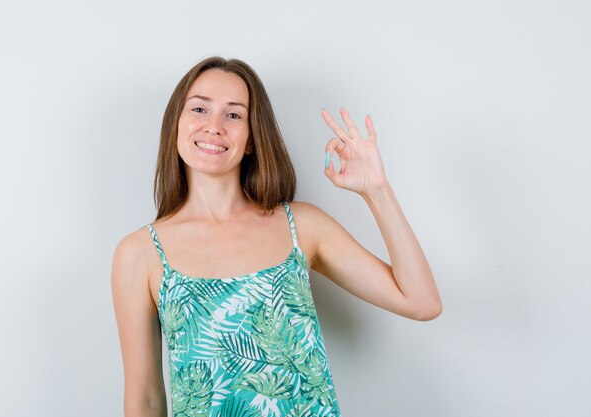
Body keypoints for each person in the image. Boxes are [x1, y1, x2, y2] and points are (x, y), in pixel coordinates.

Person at [111, 56, 442, 417]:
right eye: (199, 109)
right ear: (176, 123)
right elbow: (145, 399)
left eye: (234, 115)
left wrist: (376, 190)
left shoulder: (302, 226)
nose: (214, 126)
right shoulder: (140, 253)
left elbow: (422, 302)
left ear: (252, 139)